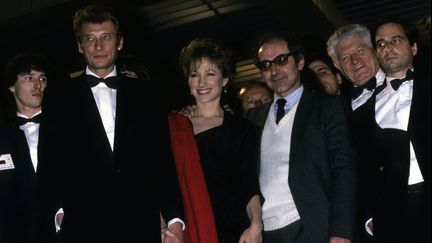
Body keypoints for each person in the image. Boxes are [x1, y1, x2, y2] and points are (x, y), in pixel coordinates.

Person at [37, 5, 184, 243]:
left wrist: (174, 220)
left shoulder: (147, 95)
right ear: (79, 45)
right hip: (82, 225)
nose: (98, 46)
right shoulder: (58, 97)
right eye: (90, 39)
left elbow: (162, 160)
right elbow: (48, 162)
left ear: (120, 42)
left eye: (106, 37)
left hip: (140, 222)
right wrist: (58, 213)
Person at [245, 32, 356, 243]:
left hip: (314, 227)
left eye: (281, 60)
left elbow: (344, 169)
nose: (274, 70)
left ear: (300, 61)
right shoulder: (253, 118)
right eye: (266, 65)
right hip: (267, 233)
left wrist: (341, 231)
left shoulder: (328, 107)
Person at [177, 38, 263, 243]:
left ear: (225, 80)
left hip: (233, 232)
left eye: (210, 74)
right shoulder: (174, 129)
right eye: (194, 75)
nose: (201, 83)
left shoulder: (243, 130)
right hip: (188, 232)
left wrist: (256, 224)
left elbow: (249, 184)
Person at [363, 16, 429, 243]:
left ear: (414, 47)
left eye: (396, 40)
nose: (387, 48)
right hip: (395, 213)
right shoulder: (363, 112)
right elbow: (363, 167)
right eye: (380, 43)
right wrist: (369, 215)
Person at [326, 25, 387, 243]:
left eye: (360, 51)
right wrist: (368, 215)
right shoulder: (337, 113)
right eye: (345, 57)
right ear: (337, 66)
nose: (355, 61)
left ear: (374, 49)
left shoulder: (411, 85)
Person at [0, 52, 52, 243]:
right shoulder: (3, 137)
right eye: (29, 77)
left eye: (42, 78)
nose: (37, 84)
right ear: (12, 86)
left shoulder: (67, 128)